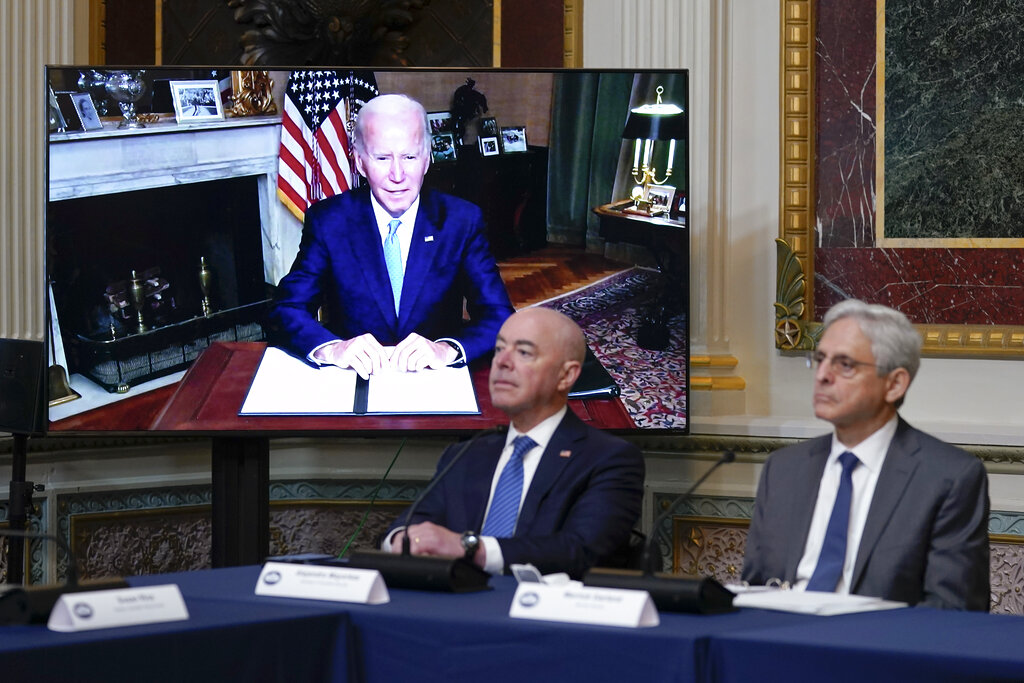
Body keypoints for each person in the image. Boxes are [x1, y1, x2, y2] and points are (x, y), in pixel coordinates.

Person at [742, 299, 990, 610]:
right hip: (776, 643)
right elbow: (751, 588)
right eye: (820, 359)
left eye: (844, 364)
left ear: (895, 384)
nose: (822, 375)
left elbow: (952, 611)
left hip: (878, 650)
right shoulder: (783, 469)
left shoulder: (948, 478)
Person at [383, 307, 645, 579]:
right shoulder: (466, 454)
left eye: (523, 353)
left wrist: (472, 549)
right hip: (452, 604)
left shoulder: (609, 459)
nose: (502, 362)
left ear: (566, 375)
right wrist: (402, 539)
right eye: (498, 349)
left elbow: (581, 551)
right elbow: (407, 526)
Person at [268, 93, 515, 378]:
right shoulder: (329, 221)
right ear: (360, 163)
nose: (397, 175)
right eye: (383, 158)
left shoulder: (461, 221)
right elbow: (286, 309)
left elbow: (499, 317)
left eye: (409, 157)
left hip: (435, 381)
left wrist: (448, 349)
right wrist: (332, 349)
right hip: (353, 381)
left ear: (426, 159)